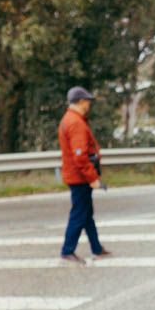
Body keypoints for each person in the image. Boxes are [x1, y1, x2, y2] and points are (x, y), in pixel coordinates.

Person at [57, 86, 111, 263]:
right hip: (79, 177)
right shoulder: (75, 122)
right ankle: (67, 251)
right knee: (79, 213)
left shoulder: (70, 119)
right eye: (88, 101)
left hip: (76, 175)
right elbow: (80, 155)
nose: (89, 104)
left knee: (86, 213)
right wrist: (93, 178)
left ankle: (96, 248)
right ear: (81, 101)